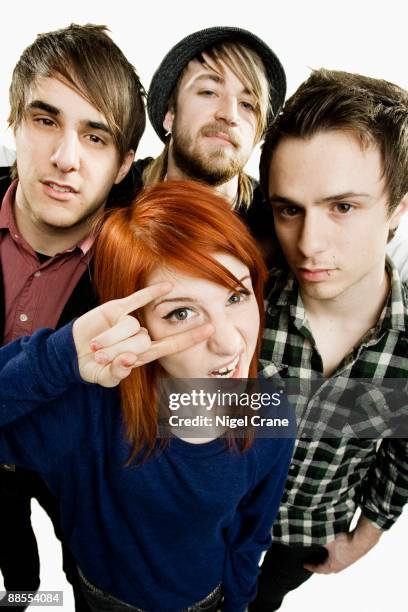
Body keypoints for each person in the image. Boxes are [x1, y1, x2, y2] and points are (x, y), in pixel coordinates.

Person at [0, 180, 294, 612]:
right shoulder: (86, 414)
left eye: (236, 295)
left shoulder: (267, 412)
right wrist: (61, 354)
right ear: (137, 323)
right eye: (181, 312)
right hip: (102, 598)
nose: (230, 343)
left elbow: (249, 537)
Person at [249, 69, 408, 611]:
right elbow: (182, 415)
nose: (309, 244)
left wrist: (367, 535)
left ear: (399, 207)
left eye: (343, 206)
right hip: (220, 522)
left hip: (309, 534)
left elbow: (403, 453)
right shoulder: (242, 305)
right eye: (289, 209)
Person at [0, 23, 146, 610]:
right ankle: (24, 597)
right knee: (17, 569)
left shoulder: (142, 264)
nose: (65, 158)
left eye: (94, 136)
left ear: (123, 164)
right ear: (14, 123)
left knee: (86, 573)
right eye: (44, 121)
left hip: (73, 477)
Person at [138, 26, 286, 262]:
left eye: (248, 104)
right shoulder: (116, 193)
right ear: (170, 113)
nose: (230, 114)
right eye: (209, 92)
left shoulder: (277, 224)